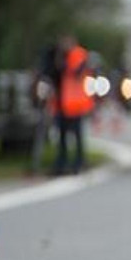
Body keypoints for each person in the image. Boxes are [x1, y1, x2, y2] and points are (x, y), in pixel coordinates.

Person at [51, 36, 96, 176]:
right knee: (63, 137)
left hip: (76, 104)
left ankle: (78, 162)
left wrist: (62, 59)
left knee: (77, 136)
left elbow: (74, 71)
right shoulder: (63, 55)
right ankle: (63, 163)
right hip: (65, 104)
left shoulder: (77, 54)